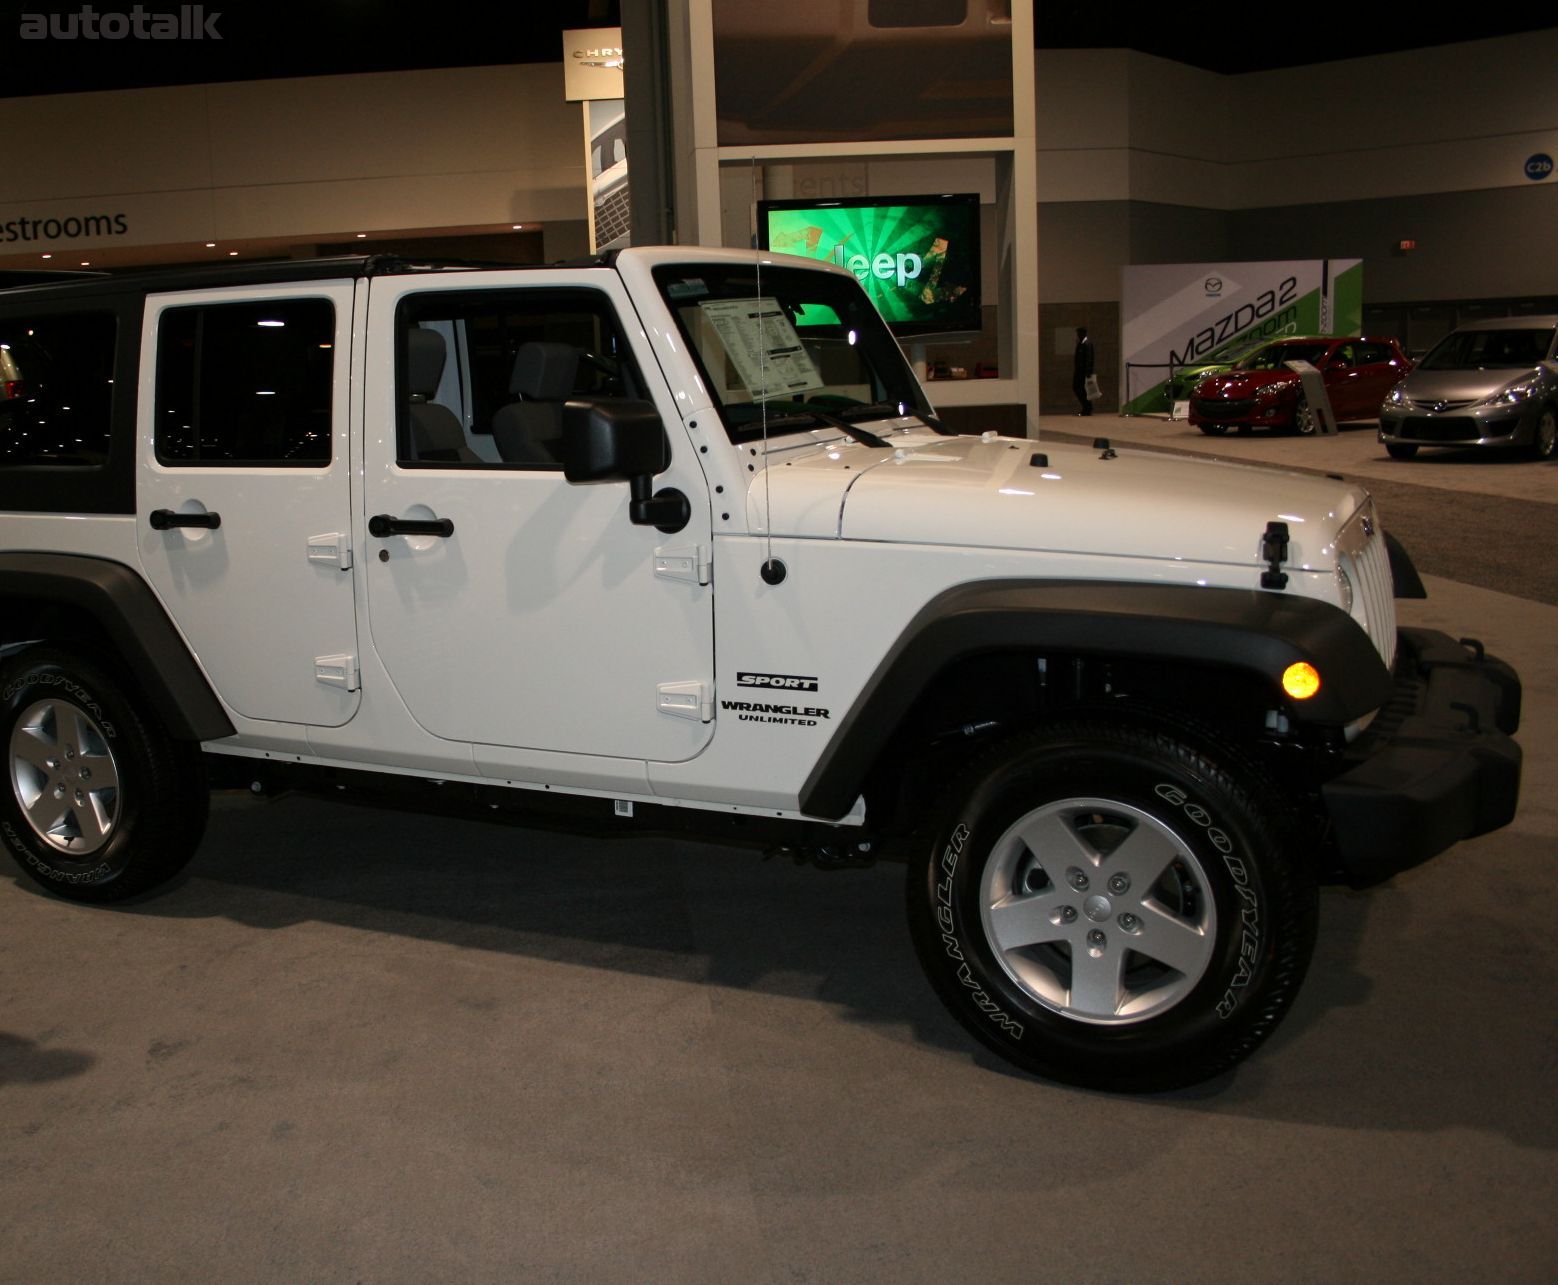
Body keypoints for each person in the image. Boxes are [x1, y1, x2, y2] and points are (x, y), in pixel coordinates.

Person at [1072, 326, 1094, 416]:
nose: (1078, 335)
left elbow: (1089, 359)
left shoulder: (1087, 344)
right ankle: (1087, 407)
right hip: (1079, 371)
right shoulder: (1080, 344)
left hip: (1083, 372)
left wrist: (1088, 372)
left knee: (1082, 390)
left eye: (1079, 333)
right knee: (1078, 388)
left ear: (1083, 334)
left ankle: (1087, 408)